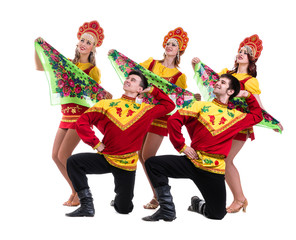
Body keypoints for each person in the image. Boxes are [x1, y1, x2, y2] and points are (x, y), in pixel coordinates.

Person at [142, 73, 263, 221]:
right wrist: (182, 146)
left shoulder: (236, 116)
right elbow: (174, 120)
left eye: (223, 83)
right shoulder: (200, 106)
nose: (217, 83)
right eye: (218, 81)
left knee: (217, 214)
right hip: (192, 162)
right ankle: (167, 209)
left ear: (231, 92)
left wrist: (247, 94)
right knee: (152, 164)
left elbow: (258, 116)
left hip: (214, 170)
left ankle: (197, 204)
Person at [191, 34, 283, 213]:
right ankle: (230, 198)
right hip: (220, 121)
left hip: (239, 124)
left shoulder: (251, 81)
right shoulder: (227, 73)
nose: (240, 54)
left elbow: (258, 106)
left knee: (225, 159)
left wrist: (272, 122)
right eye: (240, 51)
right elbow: (214, 87)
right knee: (218, 158)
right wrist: (197, 67)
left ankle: (239, 199)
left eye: (245, 53)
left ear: (251, 59)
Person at [65, 70, 175, 217]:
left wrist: (153, 90)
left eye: (134, 80)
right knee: (73, 162)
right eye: (128, 78)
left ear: (140, 89)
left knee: (124, 209)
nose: (128, 80)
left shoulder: (146, 110)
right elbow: (82, 122)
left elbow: (169, 105)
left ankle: (118, 201)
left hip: (127, 164)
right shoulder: (106, 104)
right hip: (105, 157)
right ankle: (87, 205)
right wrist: (96, 143)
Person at [34, 20, 112, 206]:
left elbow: (94, 93)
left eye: (89, 42)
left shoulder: (93, 70)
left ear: (93, 48)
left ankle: (81, 192)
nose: (84, 44)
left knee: (64, 155)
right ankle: (76, 189)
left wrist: (105, 95)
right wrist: (37, 47)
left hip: (80, 116)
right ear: (78, 43)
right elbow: (39, 67)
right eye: (83, 40)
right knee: (55, 155)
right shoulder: (66, 65)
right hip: (66, 115)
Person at [139, 27, 196, 209]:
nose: (170, 46)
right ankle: (157, 194)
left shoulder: (180, 76)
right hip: (143, 114)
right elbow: (134, 76)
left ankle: (161, 196)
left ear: (179, 51)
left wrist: (193, 98)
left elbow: (180, 98)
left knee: (148, 157)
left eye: (175, 44)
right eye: (169, 43)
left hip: (161, 118)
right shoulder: (150, 63)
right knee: (141, 155)